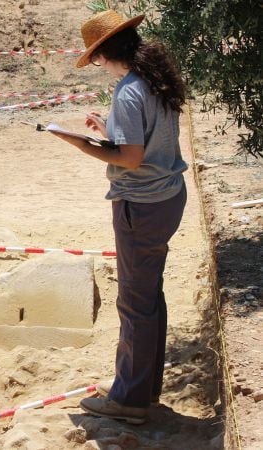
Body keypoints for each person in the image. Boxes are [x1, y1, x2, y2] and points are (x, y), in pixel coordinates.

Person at [49, 10, 188, 424]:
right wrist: (109, 130)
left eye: (95, 58)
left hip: (140, 206)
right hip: (167, 197)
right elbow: (147, 142)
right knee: (149, 296)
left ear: (104, 53)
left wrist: (76, 142)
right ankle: (145, 387)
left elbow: (130, 159)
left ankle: (128, 400)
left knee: (134, 302)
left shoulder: (129, 91)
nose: (97, 66)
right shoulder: (155, 79)